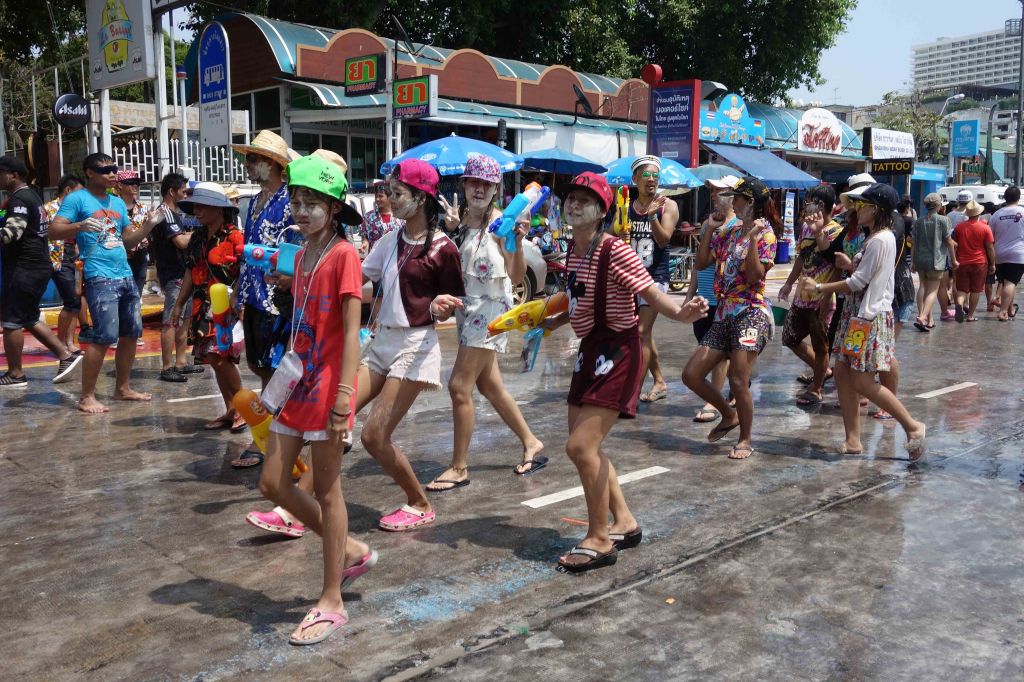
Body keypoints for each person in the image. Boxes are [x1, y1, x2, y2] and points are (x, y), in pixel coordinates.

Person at [517, 171, 707, 572]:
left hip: (619, 352)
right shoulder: (573, 250)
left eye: (585, 200)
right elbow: (577, 299)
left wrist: (678, 311)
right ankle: (624, 521)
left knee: (580, 448)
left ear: (602, 211)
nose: (574, 205)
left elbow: (649, 290)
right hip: (590, 350)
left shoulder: (615, 250)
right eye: (570, 199)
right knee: (586, 445)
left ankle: (600, 538)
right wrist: (548, 321)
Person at [252, 155, 370, 645]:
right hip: (297, 382)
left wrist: (344, 395)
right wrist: (275, 388)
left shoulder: (344, 255)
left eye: (312, 203)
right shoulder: (300, 256)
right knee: (273, 483)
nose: (301, 211)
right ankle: (350, 548)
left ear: (334, 207)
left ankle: (331, 600)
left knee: (327, 491)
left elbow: (350, 333)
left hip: (327, 387)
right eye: (296, 202)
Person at [425, 154, 545, 491]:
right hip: (468, 308)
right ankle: (531, 441)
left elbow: (516, 274)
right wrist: (451, 229)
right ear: (464, 185)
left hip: (490, 311)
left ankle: (459, 467)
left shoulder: (502, 223)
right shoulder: (460, 219)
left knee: (459, 386)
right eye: (473, 182)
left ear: (495, 189)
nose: (479, 188)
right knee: (489, 385)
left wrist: (517, 240)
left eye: (486, 183)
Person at [360, 159, 466, 530]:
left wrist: (440, 308)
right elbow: (360, 280)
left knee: (373, 436)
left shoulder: (443, 248)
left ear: (421, 199)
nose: (389, 198)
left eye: (398, 192)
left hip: (415, 344)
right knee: (332, 415)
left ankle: (419, 502)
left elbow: (452, 304)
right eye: (389, 191)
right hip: (381, 341)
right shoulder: (389, 240)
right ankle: (297, 507)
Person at [800, 183, 926, 460]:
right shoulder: (876, 238)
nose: (858, 209)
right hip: (856, 316)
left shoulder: (881, 239)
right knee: (843, 374)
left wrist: (820, 288)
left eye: (863, 205)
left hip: (867, 319)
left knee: (863, 381)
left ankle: (913, 426)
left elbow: (859, 283)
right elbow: (866, 274)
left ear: (876, 210)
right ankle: (853, 440)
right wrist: (849, 266)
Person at [50, 153, 159, 412]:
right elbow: (53, 230)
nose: (112, 174)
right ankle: (87, 396)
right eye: (106, 169)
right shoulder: (77, 199)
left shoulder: (118, 203)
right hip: (99, 275)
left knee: (131, 334)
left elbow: (128, 241)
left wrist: (149, 225)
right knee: (103, 337)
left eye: (114, 169)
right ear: (89, 172)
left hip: (124, 274)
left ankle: (123, 388)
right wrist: (78, 226)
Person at [682, 176, 780, 460]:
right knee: (691, 374)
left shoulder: (767, 234)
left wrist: (751, 241)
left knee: (738, 379)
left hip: (751, 312)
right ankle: (729, 414)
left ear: (750, 203)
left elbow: (753, 277)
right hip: (724, 313)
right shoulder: (730, 230)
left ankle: (746, 438)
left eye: (736, 198)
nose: (731, 202)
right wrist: (710, 231)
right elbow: (702, 263)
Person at [231, 130, 303, 466]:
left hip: (282, 298)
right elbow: (248, 254)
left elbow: (301, 247)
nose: (247, 165)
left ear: (272, 164)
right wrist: (237, 293)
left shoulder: (292, 202)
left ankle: (276, 437)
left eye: (253, 159)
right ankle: (276, 431)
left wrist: (293, 280)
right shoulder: (254, 202)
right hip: (255, 298)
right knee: (260, 366)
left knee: (279, 370)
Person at [0, 156, 83, 387]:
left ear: (13, 175)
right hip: (33, 267)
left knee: (12, 321)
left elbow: (11, 233)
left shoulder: (20, 200)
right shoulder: (27, 197)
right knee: (27, 317)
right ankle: (66, 355)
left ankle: (16, 374)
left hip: (24, 268)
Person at [170, 184, 246, 432]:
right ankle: (231, 409)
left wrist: (240, 303)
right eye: (195, 206)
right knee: (213, 358)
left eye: (202, 206)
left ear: (218, 208)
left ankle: (242, 408)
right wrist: (179, 304)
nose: (197, 211)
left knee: (220, 356)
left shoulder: (236, 237)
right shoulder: (198, 237)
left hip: (226, 305)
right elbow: (191, 271)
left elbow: (246, 273)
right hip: (203, 306)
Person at [778, 184, 843, 406]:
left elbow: (832, 259)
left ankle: (817, 387)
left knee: (820, 345)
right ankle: (822, 370)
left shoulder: (835, 230)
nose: (807, 206)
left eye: (811, 202)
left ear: (823, 206)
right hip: (801, 296)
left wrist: (817, 230)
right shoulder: (805, 227)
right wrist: (788, 283)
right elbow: (801, 257)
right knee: (790, 337)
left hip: (822, 296)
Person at [623, 155, 679, 404]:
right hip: (629, 278)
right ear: (635, 179)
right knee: (643, 334)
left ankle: (632, 392)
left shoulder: (668, 206)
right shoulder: (625, 208)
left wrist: (653, 217)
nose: (652, 180)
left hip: (655, 278)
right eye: (647, 175)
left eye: (656, 176)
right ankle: (659, 381)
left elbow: (664, 239)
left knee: (642, 330)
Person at [687, 176, 739, 423]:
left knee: (717, 355)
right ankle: (732, 391)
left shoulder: (739, 226)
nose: (714, 196)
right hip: (705, 297)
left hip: (726, 301)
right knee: (709, 349)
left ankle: (713, 399)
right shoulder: (710, 222)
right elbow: (699, 264)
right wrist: (689, 295)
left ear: (732, 196)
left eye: (719, 191)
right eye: (713, 192)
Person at [148, 172, 203, 382]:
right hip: (174, 275)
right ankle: (167, 366)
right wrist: (201, 234)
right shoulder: (165, 214)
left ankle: (180, 362)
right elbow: (180, 242)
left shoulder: (175, 214)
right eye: (183, 191)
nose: (186, 195)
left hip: (183, 273)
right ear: (171, 192)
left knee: (184, 319)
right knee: (171, 320)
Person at [43, 174, 88, 352]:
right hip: (53, 256)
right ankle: (60, 343)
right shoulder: (48, 209)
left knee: (75, 300)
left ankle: (69, 341)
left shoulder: (77, 211)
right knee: (70, 300)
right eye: (79, 192)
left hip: (72, 257)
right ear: (68, 191)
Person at [912, 193, 958, 330]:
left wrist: (913, 261)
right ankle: (923, 316)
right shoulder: (943, 220)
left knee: (923, 287)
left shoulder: (918, 221)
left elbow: (913, 242)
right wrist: (954, 261)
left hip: (920, 260)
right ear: (938, 206)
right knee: (933, 290)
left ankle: (928, 319)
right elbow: (949, 242)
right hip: (936, 260)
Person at [951, 200, 995, 323]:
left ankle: (959, 304)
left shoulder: (959, 227)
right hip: (979, 263)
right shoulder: (985, 228)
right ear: (979, 213)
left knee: (962, 289)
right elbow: (990, 247)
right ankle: (970, 316)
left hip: (962, 262)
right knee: (976, 290)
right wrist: (993, 264)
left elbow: (954, 243)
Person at [115, 169, 150, 302]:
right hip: (120, 255)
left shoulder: (143, 208)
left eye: (137, 183)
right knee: (121, 294)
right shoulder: (113, 206)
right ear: (120, 185)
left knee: (136, 294)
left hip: (140, 256)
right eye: (131, 183)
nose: (135, 186)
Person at [989, 186, 1024, 321]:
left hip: (999, 254)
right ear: (1018, 197)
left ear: (1004, 197)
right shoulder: (1022, 211)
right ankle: (1003, 311)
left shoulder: (997, 214)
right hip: (1017, 254)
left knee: (1006, 282)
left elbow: (990, 236)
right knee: (1010, 283)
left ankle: (1010, 309)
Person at [360, 179, 404, 256]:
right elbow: (365, 236)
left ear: (390, 197)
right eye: (376, 196)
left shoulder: (400, 217)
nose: (377, 199)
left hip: (394, 260)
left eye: (380, 196)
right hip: (374, 261)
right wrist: (365, 243)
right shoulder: (368, 217)